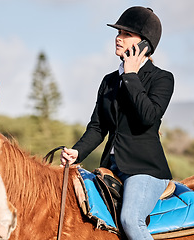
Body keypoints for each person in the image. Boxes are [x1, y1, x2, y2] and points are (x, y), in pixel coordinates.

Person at [60, 6, 174, 240]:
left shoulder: (162, 78)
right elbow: (98, 127)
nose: (118, 38)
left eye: (126, 34)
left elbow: (148, 117)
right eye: (118, 32)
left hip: (146, 169)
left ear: (145, 44)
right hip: (110, 167)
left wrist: (131, 76)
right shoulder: (109, 81)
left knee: (130, 220)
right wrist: (77, 152)